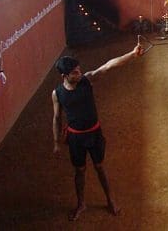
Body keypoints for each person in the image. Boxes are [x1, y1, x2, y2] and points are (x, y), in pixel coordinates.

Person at [52, 44, 144, 221]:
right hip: (76, 138)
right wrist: (56, 142)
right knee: (79, 171)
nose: (79, 73)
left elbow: (109, 65)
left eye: (79, 70)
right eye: (75, 73)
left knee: (100, 167)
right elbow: (56, 118)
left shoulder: (87, 80)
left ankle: (110, 200)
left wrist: (132, 54)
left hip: (94, 135)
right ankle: (81, 204)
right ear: (65, 76)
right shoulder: (57, 94)